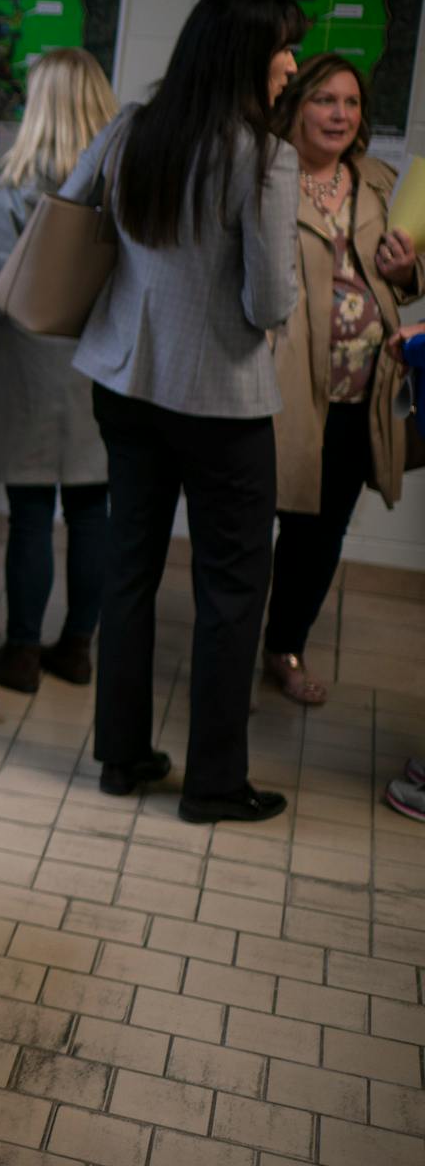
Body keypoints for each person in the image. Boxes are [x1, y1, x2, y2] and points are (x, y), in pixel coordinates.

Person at [69, 0, 304, 824]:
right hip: (222, 403)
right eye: (283, 47)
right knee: (232, 591)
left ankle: (121, 759)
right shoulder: (265, 157)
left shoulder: (135, 126)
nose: (293, 64)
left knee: (128, 570)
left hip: (127, 384)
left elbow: (68, 203)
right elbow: (269, 303)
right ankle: (213, 784)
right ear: (244, 53)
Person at [0, 49, 117, 694]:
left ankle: (18, 654)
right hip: (102, 367)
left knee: (32, 514)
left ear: (36, 107)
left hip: (28, 367)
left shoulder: (10, 189)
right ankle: (76, 648)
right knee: (94, 511)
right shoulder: (124, 188)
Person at [263, 53, 421, 705]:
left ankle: (284, 646)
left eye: (351, 103)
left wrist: (408, 269)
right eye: (325, 100)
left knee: (320, 533)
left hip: (362, 392)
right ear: (296, 105)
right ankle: (229, 653)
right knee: (253, 525)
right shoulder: (266, 178)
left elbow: (406, 289)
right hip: (281, 387)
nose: (339, 114)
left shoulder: (380, 182)